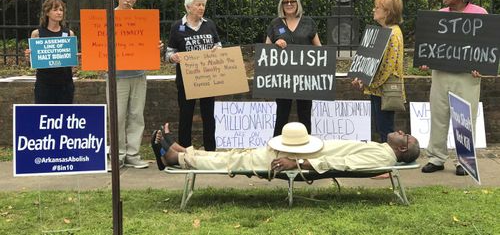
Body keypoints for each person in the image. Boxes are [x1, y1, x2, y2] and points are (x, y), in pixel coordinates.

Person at [150, 122, 420, 173]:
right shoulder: (381, 148)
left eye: (404, 135)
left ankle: (179, 158)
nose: (400, 131)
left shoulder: (381, 155)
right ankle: (183, 151)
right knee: (238, 156)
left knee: (235, 161)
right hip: (300, 150)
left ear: (403, 149)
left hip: (298, 158)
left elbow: (343, 164)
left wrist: (299, 165)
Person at [420, 0, 487, 176]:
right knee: (438, 115)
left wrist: (481, 65)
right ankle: (436, 158)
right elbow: (430, 45)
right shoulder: (439, 15)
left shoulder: (480, 14)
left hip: (467, 76)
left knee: (464, 117)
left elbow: (486, 47)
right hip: (440, 73)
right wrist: (426, 58)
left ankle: (464, 161)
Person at [110, 0, 163, 169]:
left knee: (136, 115)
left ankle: (133, 154)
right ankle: (117, 155)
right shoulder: (107, 18)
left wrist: (156, 46)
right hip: (117, 76)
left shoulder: (142, 19)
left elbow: (149, 44)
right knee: (117, 116)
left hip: (139, 74)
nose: (128, 0)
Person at [165, 0, 222, 151]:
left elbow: (218, 45)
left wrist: (217, 49)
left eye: (203, 4)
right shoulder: (177, 27)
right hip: (186, 81)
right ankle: (185, 151)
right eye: (198, 4)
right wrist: (173, 57)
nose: (201, 8)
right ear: (188, 7)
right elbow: (168, 53)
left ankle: (210, 151)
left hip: (207, 79)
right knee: (186, 116)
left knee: (208, 116)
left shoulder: (209, 24)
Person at [265, 0, 322, 137]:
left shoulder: (308, 22)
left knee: (305, 115)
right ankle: (278, 151)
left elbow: (319, 49)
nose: (289, 4)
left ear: (298, 3)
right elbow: (266, 50)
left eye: (292, 1)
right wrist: (276, 42)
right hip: (282, 78)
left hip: (305, 78)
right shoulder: (275, 24)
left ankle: (305, 150)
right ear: (281, 5)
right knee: (282, 115)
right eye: (286, 2)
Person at [352, 0, 405, 143]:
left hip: (385, 90)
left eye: (377, 8)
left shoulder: (393, 34)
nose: (373, 10)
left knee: (385, 129)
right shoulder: (384, 31)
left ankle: (389, 158)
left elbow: (387, 66)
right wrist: (361, 76)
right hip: (377, 89)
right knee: (380, 127)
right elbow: (372, 60)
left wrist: (368, 82)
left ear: (388, 12)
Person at [26, 0, 75, 104]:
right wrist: (29, 57)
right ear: (47, 12)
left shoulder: (69, 33)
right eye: (55, 10)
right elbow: (32, 62)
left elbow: (72, 61)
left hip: (65, 83)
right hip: (44, 83)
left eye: (61, 10)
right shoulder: (37, 34)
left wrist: (75, 57)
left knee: (64, 116)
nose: (59, 13)